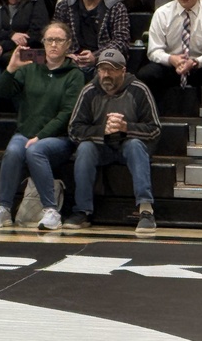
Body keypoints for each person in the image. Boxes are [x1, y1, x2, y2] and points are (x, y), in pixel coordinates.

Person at [0, 21, 84, 232]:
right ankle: (4, 208)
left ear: (68, 44)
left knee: (35, 150)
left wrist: (41, 136)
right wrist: (11, 68)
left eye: (59, 40)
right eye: (49, 40)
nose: (53, 45)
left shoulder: (74, 74)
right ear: (43, 43)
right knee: (12, 150)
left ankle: (51, 210)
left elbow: (67, 113)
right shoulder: (31, 66)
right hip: (26, 132)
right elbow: (2, 92)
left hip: (59, 137)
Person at [65, 48, 161, 234]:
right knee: (84, 148)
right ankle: (82, 211)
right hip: (102, 147)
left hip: (129, 147)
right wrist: (103, 131)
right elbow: (74, 129)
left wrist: (126, 128)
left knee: (134, 145)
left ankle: (146, 211)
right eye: (102, 69)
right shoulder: (89, 91)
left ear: (123, 71)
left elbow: (155, 129)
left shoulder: (139, 90)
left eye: (112, 69)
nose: (106, 74)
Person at [137, 0, 202, 112]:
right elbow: (154, 51)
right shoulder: (162, 13)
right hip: (172, 66)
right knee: (146, 74)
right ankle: (150, 119)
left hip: (199, 66)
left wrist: (196, 62)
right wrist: (171, 59)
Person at [54, 0, 130, 81]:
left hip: (104, 63)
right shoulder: (64, 6)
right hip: (71, 62)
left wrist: (96, 56)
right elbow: (55, 36)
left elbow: (121, 41)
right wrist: (67, 55)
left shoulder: (116, 7)